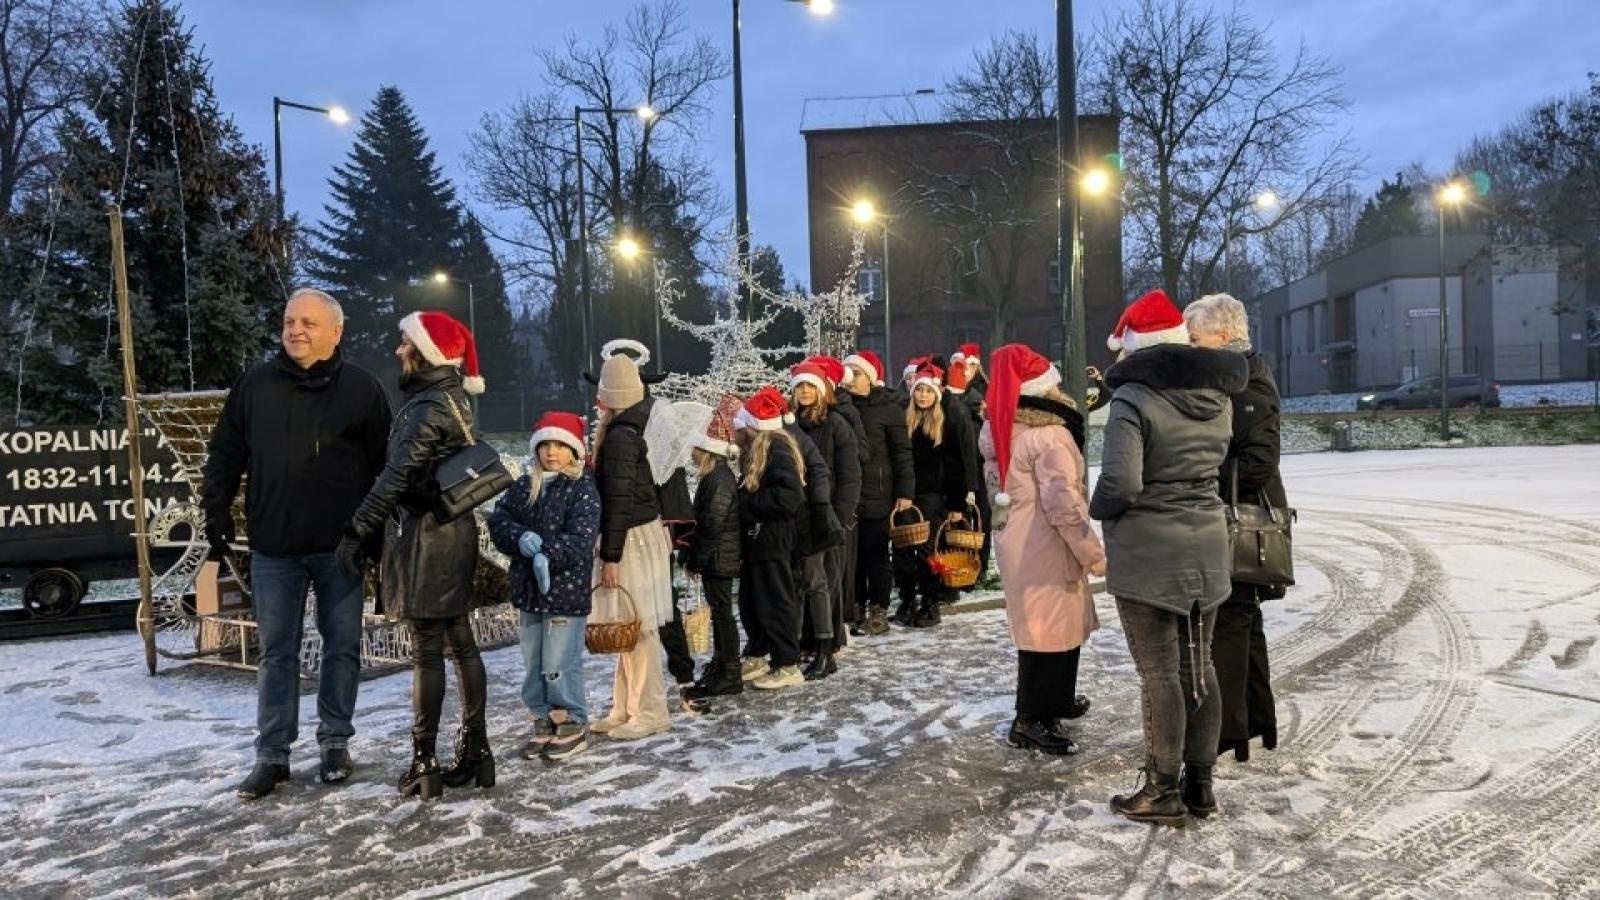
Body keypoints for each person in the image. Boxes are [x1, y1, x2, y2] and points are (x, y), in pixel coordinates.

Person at [201, 288, 391, 801]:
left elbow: (384, 470)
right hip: (274, 546)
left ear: (336, 331)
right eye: (288, 321)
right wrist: (214, 513)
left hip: (341, 547)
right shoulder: (255, 386)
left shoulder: (363, 390)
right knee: (277, 652)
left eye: (308, 322)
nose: (295, 330)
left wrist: (374, 535)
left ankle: (334, 743)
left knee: (343, 647)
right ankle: (272, 755)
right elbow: (224, 455)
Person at [1090, 289, 1248, 825]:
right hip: (1206, 543)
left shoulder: (1133, 399)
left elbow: (1121, 479)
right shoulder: (1218, 397)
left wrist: (1101, 509)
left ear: (1134, 347)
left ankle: (1161, 789)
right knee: (1198, 667)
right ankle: (1200, 785)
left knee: (1159, 673)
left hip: (1149, 548)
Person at [343, 310, 494, 800]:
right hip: (452, 533)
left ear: (425, 351)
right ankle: (476, 752)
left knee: (428, 650)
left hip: (430, 540)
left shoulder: (428, 405)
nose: (397, 350)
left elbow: (396, 477)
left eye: (404, 342)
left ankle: (423, 760)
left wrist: (356, 529)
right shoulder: (447, 399)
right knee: (460, 643)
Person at [980, 344, 1105, 756]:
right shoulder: (1048, 435)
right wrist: (1092, 551)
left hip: (1019, 541)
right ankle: (1031, 718)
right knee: (1050, 632)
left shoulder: (1000, 430)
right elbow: (1064, 504)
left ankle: (1053, 702)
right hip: (1047, 544)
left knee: (1044, 629)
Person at [1185, 293, 1286, 763]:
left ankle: (1228, 730)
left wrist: (1206, 475)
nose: (1190, 346)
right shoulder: (1240, 377)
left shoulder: (1247, 383)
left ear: (1223, 336)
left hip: (1240, 522)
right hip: (1240, 519)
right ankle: (1257, 722)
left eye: (1196, 337)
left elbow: (1260, 460)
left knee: (1229, 623)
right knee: (1245, 622)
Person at [488, 411, 601, 764]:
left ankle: (570, 718)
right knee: (534, 659)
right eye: (546, 445)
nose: (552, 452)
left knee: (558, 661)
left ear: (574, 451)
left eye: (560, 445)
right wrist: (520, 539)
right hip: (529, 593)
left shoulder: (582, 488)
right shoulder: (525, 485)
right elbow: (499, 519)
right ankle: (542, 715)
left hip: (565, 593)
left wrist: (547, 554)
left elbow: (582, 538)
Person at [587, 340, 677, 741]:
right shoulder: (636, 426)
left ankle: (650, 710)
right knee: (628, 626)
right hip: (637, 534)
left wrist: (611, 554)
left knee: (637, 628)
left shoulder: (623, 435)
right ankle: (626, 706)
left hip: (630, 537)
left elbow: (619, 498)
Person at [734, 387, 810, 690]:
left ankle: (787, 662)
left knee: (775, 601)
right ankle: (758, 652)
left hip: (773, 540)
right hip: (760, 541)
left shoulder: (777, 450)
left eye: (743, 428)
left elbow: (790, 497)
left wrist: (749, 504)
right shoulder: (761, 451)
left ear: (754, 427)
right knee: (753, 601)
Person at [790, 361, 861, 680]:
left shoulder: (836, 424)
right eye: (799, 386)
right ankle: (808, 641)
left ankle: (827, 645)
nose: (804, 391)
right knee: (806, 581)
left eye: (810, 386)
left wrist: (843, 514)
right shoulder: (790, 425)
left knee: (826, 581)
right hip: (799, 514)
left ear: (822, 390)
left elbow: (850, 472)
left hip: (828, 513)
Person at [894, 365, 979, 628]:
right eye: (918, 390)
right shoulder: (903, 419)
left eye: (927, 391)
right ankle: (907, 600)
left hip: (934, 496)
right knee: (903, 549)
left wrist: (956, 503)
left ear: (936, 394)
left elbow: (957, 464)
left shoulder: (947, 422)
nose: (922, 396)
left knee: (927, 550)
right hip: (907, 495)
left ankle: (930, 602)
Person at [840, 351, 915, 637]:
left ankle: (879, 607)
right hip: (850, 494)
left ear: (870, 377)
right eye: (847, 374)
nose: (850, 380)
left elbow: (902, 454)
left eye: (856, 374)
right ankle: (855, 604)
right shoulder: (843, 406)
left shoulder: (888, 409)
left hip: (879, 493)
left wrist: (905, 492)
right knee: (853, 557)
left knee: (876, 555)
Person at [682, 397, 744, 702]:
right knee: (721, 614)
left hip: (720, 557)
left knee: (722, 615)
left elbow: (712, 524)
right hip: (719, 556)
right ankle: (722, 666)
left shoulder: (718, 479)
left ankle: (730, 672)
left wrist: (697, 560)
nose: (691, 454)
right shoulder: (716, 476)